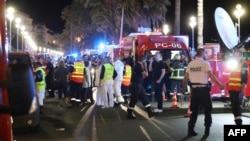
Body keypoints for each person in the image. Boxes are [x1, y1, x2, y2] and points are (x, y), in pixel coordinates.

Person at [182, 48, 225, 137]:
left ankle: (190, 130)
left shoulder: (191, 64)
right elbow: (211, 75)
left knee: (194, 111)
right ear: (203, 54)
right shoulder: (205, 63)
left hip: (194, 91)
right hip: (204, 90)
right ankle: (207, 130)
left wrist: (183, 89)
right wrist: (220, 84)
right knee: (208, 110)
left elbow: (185, 78)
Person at [227, 49, 248, 125]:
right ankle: (238, 123)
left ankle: (239, 124)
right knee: (234, 107)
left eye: (237, 54)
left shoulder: (243, 65)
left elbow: (244, 79)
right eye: (234, 54)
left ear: (241, 56)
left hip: (238, 90)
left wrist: (242, 91)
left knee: (236, 107)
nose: (236, 56)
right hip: (232, 89)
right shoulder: (233, 64)